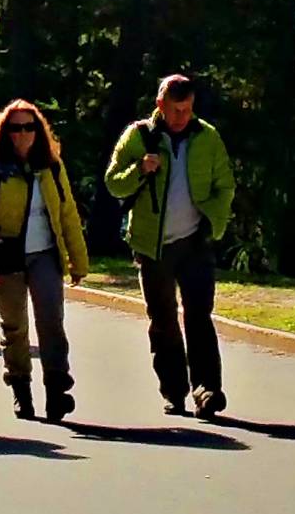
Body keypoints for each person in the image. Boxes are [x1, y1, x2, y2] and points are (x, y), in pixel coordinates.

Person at [105, 73, 236, 419]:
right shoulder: (140, 136)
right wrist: (140, 168)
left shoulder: (207, 137)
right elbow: (113, 184)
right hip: (152, 246)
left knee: (199, 316)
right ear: (160, 105)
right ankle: (174, 391)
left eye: (188, 109)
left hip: (194, 241)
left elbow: (225, 185)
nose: (182, 117)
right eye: (176, 110)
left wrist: (213, 224)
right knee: (162, 319)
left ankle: (207, 389)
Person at [0, 98, 88, 422]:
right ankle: (21, 386)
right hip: (7, 257)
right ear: (4, 132)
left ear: (39, 131)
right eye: (15, 128)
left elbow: (67, 213)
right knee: (16, 327)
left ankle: (57, 388)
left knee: (51, 321)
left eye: (29, 127)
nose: (22, 134)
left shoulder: (51, 166)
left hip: (45, 255)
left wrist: (78, 259)